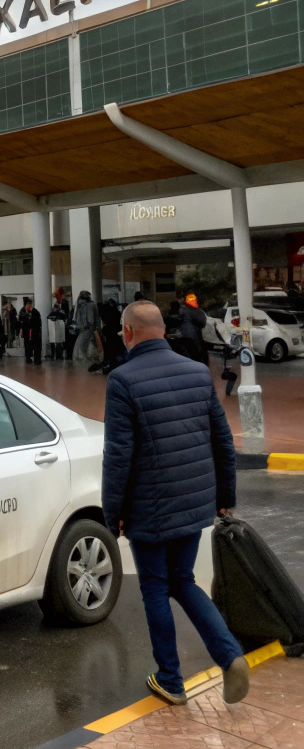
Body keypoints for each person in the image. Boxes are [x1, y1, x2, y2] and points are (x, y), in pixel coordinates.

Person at [102, 300, 248, 707]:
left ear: (129, 333)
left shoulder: (122, 380)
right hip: (194, 502)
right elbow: (222, 440)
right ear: (163, 330)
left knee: (154, 587)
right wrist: (225, 498)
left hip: (148, 507)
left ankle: (171, 679)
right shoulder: (197, 372)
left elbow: (118, 457)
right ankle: (231, 656)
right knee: (183, 580)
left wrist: (111, 515)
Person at [72, 290, 101, 365]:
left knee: (80, 351)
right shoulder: (89, 305)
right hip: (88, 329)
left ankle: (85, 366)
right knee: (82, 349)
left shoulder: (85, 305)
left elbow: (90, 319)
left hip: (87, 329)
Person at [178, 293, 209, 364]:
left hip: (188, 337)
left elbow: (202, 323)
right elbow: (202, 323)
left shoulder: (183, 310)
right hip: (193, 338)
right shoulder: (193, 311)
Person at [19, 297, 42, 364]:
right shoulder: (22, 312)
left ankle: (37, 359)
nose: (29, 306)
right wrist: (21, 329)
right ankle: (28, 358)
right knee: (28, 345)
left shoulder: (35, 312)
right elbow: (21, 321)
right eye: (27, 305)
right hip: (27, 332)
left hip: (35, 332)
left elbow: (38, 321)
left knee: (36, 346)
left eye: (30, 305)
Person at [46, 295, 67, 361]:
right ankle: (59, 356)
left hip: (52, 331)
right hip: (59, 331)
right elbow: (64, 318)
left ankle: (53, 355)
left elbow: (48, 318)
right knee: (59, 343)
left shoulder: (51, 313)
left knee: (53, 343)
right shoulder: (61, 313)